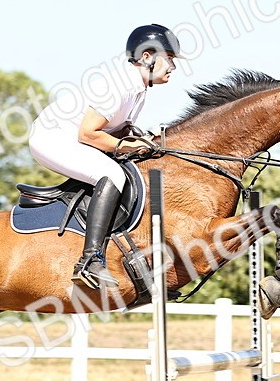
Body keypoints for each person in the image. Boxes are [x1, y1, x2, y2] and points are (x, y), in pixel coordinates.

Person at [29, 24, 183, 289]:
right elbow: (88, 133)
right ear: (147, 56)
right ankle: (90, 260)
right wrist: (130, 146)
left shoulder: (138, 88)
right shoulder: (121, 84)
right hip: (53, 138)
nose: (173, 66)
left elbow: (120, 131)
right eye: (168, 58)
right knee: (112, 174)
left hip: (70, 138)